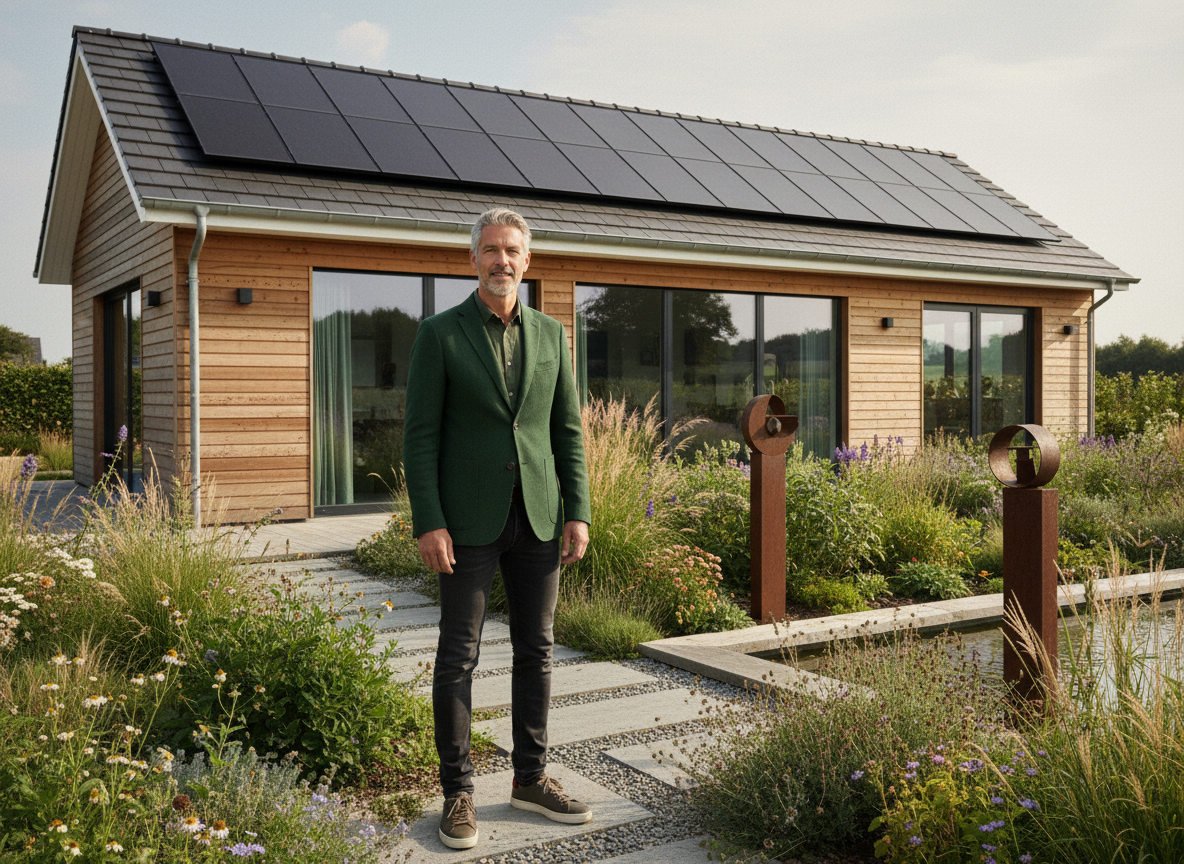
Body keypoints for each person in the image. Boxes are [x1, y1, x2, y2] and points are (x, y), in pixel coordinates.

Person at [403, 207, 592, 851]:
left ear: (527, 260)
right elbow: (420, 437)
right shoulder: (440, 334)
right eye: (491, 250)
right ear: (473, 257)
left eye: (512, 251)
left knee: (536, 651)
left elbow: (567, 429)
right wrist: (429, 521)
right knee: (459, 656)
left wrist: (578, 509)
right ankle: (458, 793)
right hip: (469, 521)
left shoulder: (553, 335)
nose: (501, 261)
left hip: (539, 514)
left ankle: (530, 779)